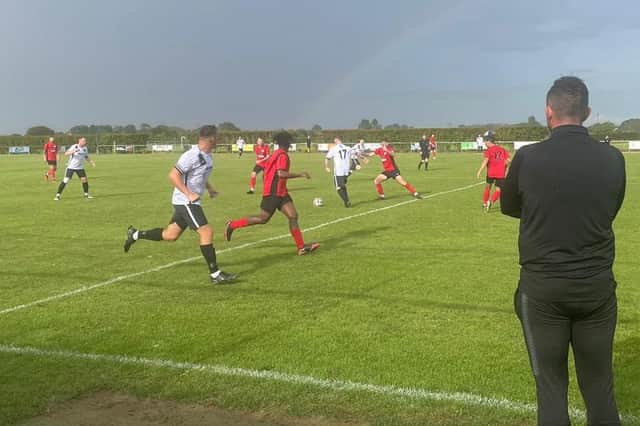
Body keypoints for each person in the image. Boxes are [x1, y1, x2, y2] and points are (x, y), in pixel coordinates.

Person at [501, 76, 625, 426]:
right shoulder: (614, 158)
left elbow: (509, 206)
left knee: (551, 392)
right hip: (597, 289)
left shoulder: (527, 157)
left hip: (542, 291)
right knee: (600, 388)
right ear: (586, 112)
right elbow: (610, 208)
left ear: (548, 112)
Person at [123, 125, 236, 285]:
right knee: (206, 232)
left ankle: (135, 234)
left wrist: (209, 188)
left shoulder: (208, 155)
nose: (219, 139)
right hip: (186, 201)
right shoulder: (191, 155)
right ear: (211, 138)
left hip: (191, 201)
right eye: (217, 137)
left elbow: (200, 175)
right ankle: (215, 274)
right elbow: (173, 175)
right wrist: (189, 193)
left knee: (170, 235)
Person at [225, 131, 320, 256]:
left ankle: (301, 247)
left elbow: (266, 170)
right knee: (263, 219)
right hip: (273, 193)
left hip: (280, 192)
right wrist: (300, 174)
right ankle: (232, 225)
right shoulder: (282, 156)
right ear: (288, 143)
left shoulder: (275, 154)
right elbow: (281, 174)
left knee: (293, 216)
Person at [475, 130, 509, 212]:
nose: (485, 144)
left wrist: (479, 171)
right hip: (500, 173)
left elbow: (485, 161)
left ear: (489, 141)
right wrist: (505, 167)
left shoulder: (488, 151)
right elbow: (508, 160)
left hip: (490, 172)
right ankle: (490, 201)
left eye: (485, 142)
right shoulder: (502, 149)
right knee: (499, 190)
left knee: (487, 187)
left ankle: (484, 203)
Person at [324, 137, 356, 207]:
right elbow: (355, 154)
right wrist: (364, 157)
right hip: (346, 171)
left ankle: (346, 201)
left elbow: (327, 158)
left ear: (336, 141)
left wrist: (326, 167)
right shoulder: (347, 147)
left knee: (338, 187)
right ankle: (347, 200)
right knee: (342, 185)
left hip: (339, 171)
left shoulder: (334, 148)